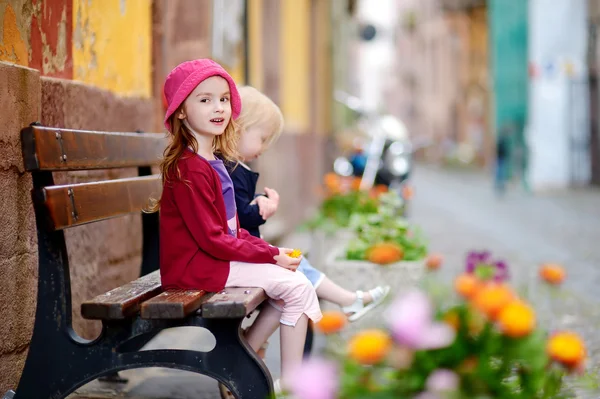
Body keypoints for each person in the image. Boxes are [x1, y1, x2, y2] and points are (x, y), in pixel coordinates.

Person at [153, 59, 322, 395]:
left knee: (296, 282)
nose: (218, 107)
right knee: (298, 288)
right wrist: (271, 254)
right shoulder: (190, 169)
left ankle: (242, 358)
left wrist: (272, 252)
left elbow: (229, 231)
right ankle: (287, 386)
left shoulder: (212, 162)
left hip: (210, 261)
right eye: (204, 100)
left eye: (223, 99)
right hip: (195, 269)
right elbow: (214, 240)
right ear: (181, 112)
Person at [230, 86, 390, 321]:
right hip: (240, 256)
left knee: (297, 261)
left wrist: (257, 202)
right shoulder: (231, 171)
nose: (263, 149)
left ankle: (348, 300)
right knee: (295, 267)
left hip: (247, 250)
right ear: (238, 130)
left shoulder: (234, 169)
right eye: (262, 139)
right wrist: (263, 209)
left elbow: (237, 209)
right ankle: (348, 300)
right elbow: (242, 217)